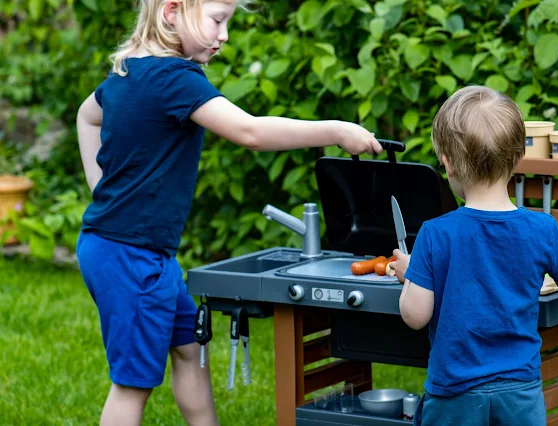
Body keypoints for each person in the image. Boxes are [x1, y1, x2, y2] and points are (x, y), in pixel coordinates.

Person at [74, 1, 382, 425]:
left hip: (133, 251)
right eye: (218, 20)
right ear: (172, 11)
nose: (224, 35)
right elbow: (250, 132)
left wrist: (100, 190)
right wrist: (335, 130)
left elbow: (86, 118)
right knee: (132, 385)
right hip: (132, 257)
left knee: (190, 348)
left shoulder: (128, 71)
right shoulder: (175, 78)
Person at [388, 85, 558, 426]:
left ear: (448, 164)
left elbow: (416, 315)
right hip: (520, 393)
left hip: (455, 394)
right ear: (518, 157)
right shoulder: (543, 229)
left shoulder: (435, 233)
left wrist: (412, 273)